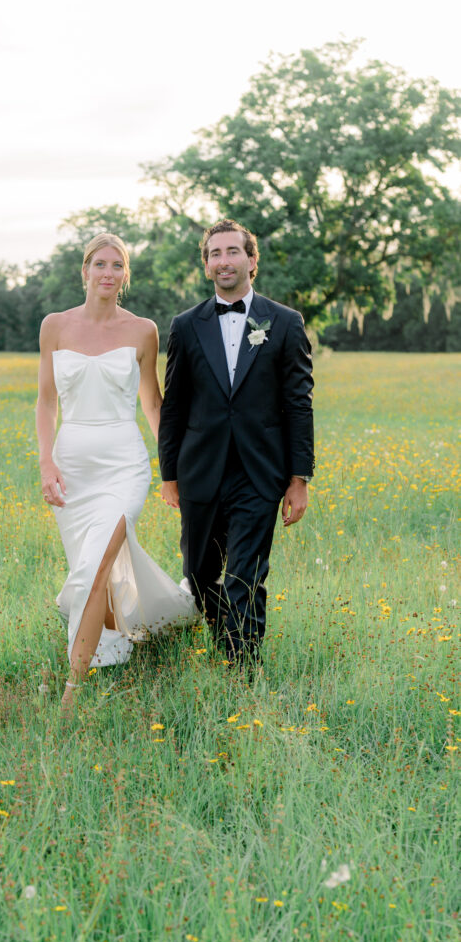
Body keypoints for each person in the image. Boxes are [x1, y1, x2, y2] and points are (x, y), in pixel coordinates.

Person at [36, 233, 196, 710]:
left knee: (99, 562)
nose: (109, 273)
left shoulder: (142, 330)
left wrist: (173, 469)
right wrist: (46, 462)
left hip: (123, 462)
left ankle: (73, 688)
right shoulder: (55, 326)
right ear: (84, 271)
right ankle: (112, 645)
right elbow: (46, 401)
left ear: (125, 275)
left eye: (118, 266)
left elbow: (152, 402)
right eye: (100, 264)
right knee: (89, 565)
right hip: (73, 464)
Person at [158, 220, 314, 672]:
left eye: (231, 252)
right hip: (199, 471)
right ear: (206, 265)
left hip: (259, 471)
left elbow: (298, 404)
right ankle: (222, 640)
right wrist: (169, 475)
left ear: (251, 260)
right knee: (200, 573)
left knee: (244, 575)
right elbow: (174, 408)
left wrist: (299, 478)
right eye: (214, 254)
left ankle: (241, 669)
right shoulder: (185, 326)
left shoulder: (284, 322)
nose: (223, 261)